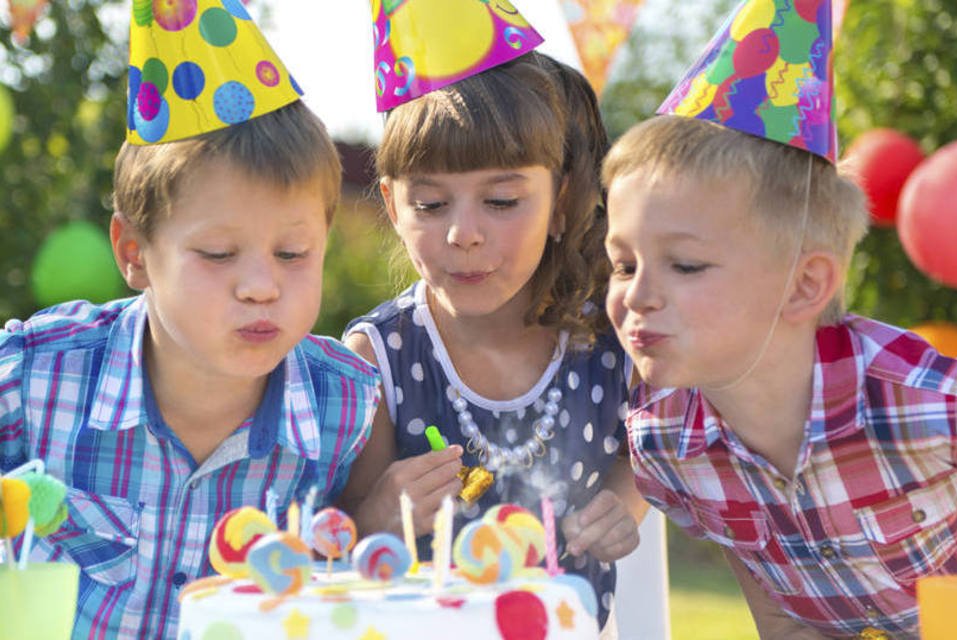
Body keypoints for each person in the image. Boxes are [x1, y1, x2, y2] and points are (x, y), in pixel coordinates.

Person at [0, 8, 379, 639]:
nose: (262, 287)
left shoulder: (345, 407)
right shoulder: (36, 375)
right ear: (133, 254)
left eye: (292, 253)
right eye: (218, 254)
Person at [602, 2, 957, 637]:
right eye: (624, 264)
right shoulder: (666, 448)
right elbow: (785, 620)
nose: (639, 295)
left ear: (805, 285)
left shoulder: (930, 406)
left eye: (684, 266)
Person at [339, 29, 650, 631]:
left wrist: (625, 501)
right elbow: (341, 544)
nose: (464, 234)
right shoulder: (378, 360)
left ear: (561, 203)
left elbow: (652, 447)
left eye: (502, 201)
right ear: (393, 205)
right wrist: (378, 514)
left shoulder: (612, 344)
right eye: (430, 205)